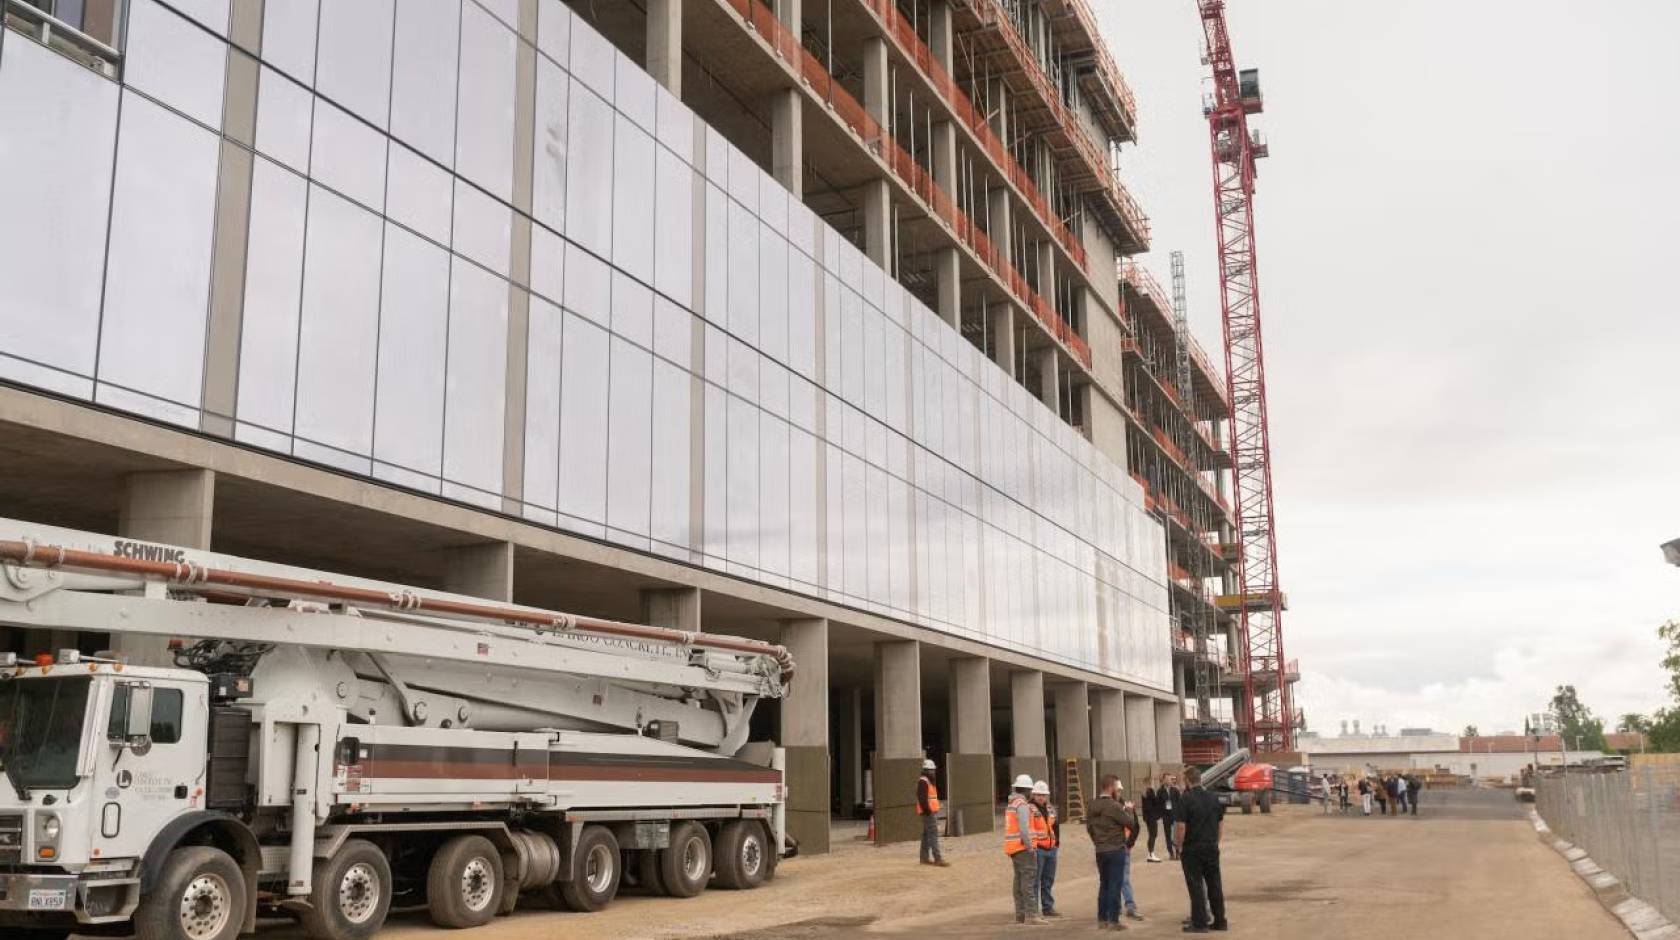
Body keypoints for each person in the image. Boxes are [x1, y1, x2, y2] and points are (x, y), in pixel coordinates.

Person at [1175, 766, 1228, 933]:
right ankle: (1220, 921)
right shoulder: (1213, 798)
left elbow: (1181, 826)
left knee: (1196, 885)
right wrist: (1215, 842)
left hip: (1193, 848)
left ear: (1188, 781)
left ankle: (1200, 923)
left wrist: (1179, 845)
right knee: (1215, 884)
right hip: (1211, 847)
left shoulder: (1186, 799)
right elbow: (1220, 824)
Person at [1087, 774, 1143, 930]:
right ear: (1111, 788)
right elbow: (1131, 824)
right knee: (1115, 884)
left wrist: (1098, 842)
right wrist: (1130, 812)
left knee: (1104, 883)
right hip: (1115, 848)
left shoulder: (1092, 805)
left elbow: (1090, 828)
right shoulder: (1114, 806)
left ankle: (1102, 918)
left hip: (1100, 850)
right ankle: (1113, 920)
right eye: (1116, 789)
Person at [1003, 774, 1045, 926]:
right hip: (1023, 848)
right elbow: (1024, 829)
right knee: (1028, 882)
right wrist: (1030, 847)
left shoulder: (1012, 804)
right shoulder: (1021, 805)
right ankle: (1031, 915)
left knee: (1019, 882)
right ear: (1027, 790)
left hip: (1013, 848)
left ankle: (1020, 916)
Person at [1031, 780, 1061, 917]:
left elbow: (1056, 826)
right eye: (1038, 794)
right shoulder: (1029, 809)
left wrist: (1057, 844)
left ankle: (1047, 907)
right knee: (1035, 880)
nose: (1041, 797)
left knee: (1048, 880)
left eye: (1043, 795)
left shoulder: (1050, 809)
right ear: (1033, 795)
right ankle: (1033, 910)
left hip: (1051, 849)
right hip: (1038, 849)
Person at [915, 758, 950, 867]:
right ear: (927, 771)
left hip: (930, 811)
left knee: (926, 835)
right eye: (931, 770)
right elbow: (922, 799)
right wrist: (928, 811)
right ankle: (937, 858)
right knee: (933, 834)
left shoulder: (928, 781)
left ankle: (924, 858)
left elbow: (931, 798)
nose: (933, 772)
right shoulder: (923, 781)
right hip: (928, 812)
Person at [1142, 775, 1166, 862]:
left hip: (1147, 817)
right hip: (1152, 816)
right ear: (1149, 783)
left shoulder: (1144, 792)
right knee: (1153, 834)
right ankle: (1151, 853)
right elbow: (1156, 801)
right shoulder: (1150, 791)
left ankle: (1150, 853)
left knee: (1151, 834)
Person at [1160, 774, 1182, 860]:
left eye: (1170, 779)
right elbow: (1158, 804)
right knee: (1168, 835)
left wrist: (1179, 813)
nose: (1169, 780)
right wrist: (1161, 814)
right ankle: (1171, 853)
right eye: (1167, 779)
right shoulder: (1160, 791)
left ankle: (1178, 853)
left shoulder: (1175, 790)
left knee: (1176, 835)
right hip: (1166, 817)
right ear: (1164, 780)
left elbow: (1179, 802)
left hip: (1175, 815)